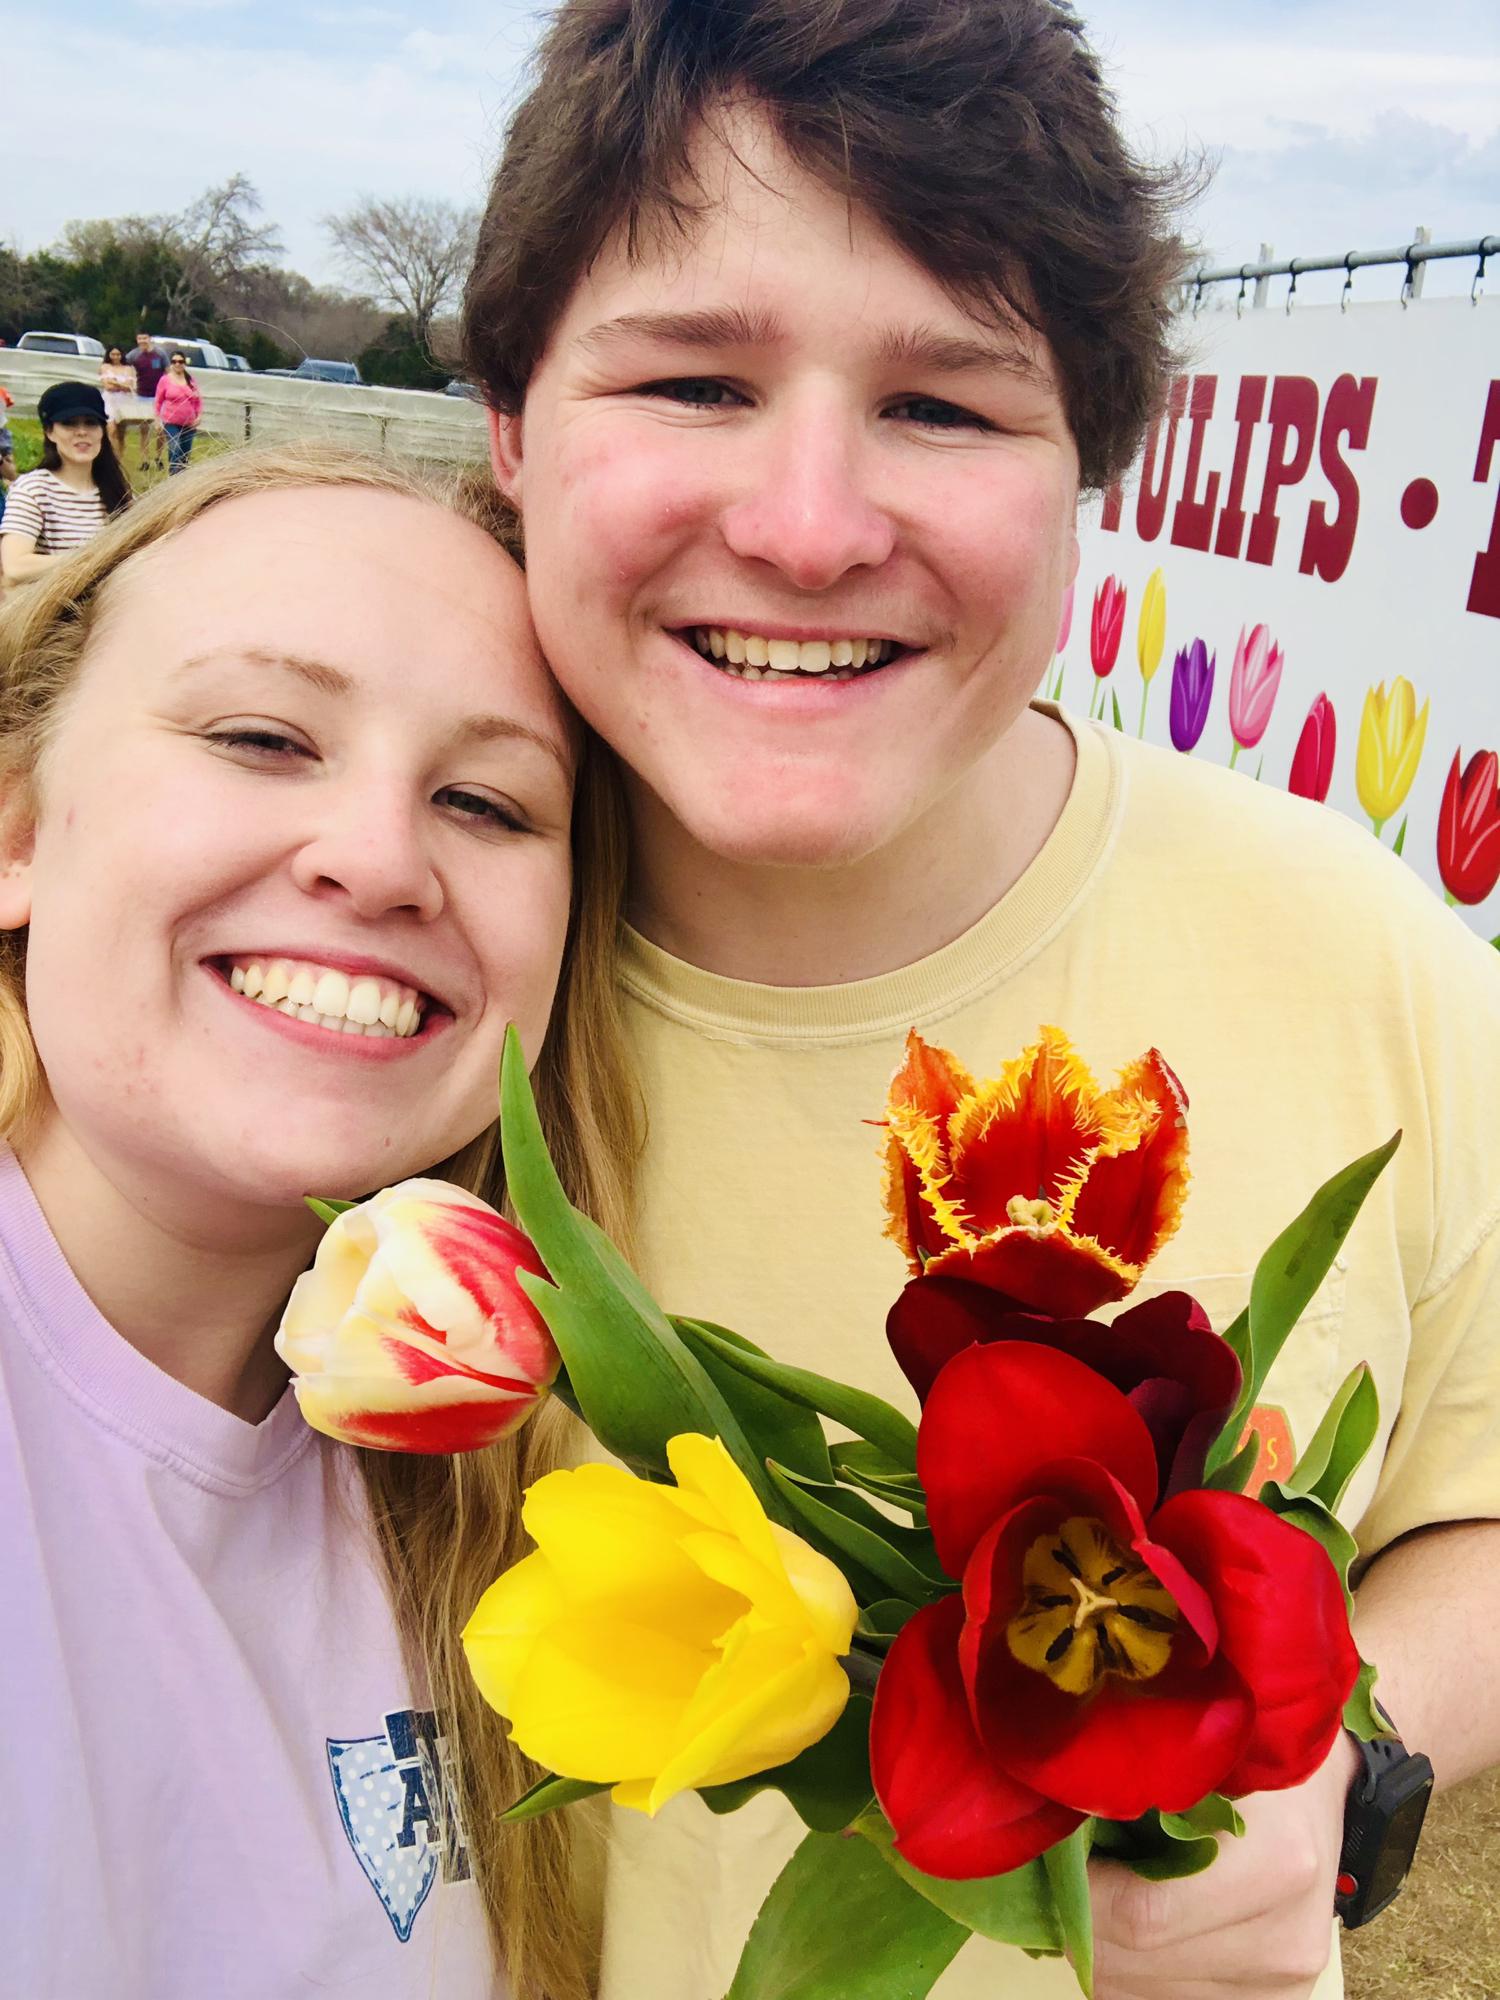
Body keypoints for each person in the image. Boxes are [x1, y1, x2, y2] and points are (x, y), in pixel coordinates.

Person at [460, 4, 1500, 1999]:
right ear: (511, 421)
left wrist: (1352, 1757)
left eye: (943, 406)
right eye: (693, 382)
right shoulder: (379, 991)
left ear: (1092, 463)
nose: (808, 524)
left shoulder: (1366, 962)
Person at [0, 440, 636, 2000]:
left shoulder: (536, 1497)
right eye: (262, 737)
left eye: (487, 801)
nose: (379, 860)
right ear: (17, 829)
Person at [1, 381, 130, 585]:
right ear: (49, 432)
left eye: (91, 422)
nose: (82, 431)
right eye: (69, 423)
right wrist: (93, 559)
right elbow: (15, 567)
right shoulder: (32, 490)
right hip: (55, 604)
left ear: (102, 431)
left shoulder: (117, 490)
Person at [124, 329, 168, 473]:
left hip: (158, 397)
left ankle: (158, 457)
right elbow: (124, 367)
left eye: (145, 338)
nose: (142, 341)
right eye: (140, 339)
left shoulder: (160, 354)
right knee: (144, 430)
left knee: (160, 430)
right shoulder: (134, 355)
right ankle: (144, 460)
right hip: (142, 396)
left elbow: (168, 371)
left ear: (150, 339)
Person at [154, 348, 203, 474]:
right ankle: (174, 474)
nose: (177, 364)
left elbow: (198, 401)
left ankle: (182, 477)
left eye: (180, 362)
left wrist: (199, 416)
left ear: (184, 363)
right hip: (171, 421)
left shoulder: (190, 380)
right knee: (174, 448)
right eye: (174, 361)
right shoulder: (165, 380)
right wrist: (157, 419)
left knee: (185, 453)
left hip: (189, 423)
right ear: (171, 363)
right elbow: (158, 401)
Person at [98, 344, 137, 456]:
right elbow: (108, 386)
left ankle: (119, 457)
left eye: (118, 354)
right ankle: (111, 456)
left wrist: (115, 382)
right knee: (111, 430)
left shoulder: (128, 368)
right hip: (109, 401)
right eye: (113, 354)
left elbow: (130, 386)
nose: (115, 357)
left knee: (121, 433)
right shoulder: (105, 367)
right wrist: (122, 385)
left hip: (124, 401)